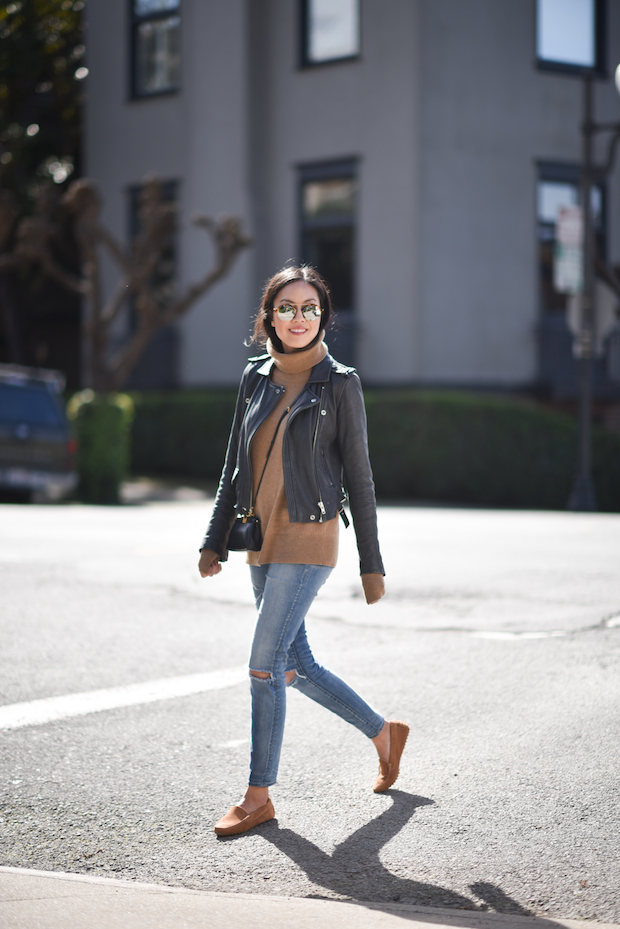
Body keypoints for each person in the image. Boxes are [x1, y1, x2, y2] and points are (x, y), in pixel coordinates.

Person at [198, 265, 409, 836]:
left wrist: (371, 563)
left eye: (310, 308)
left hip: (311, 535)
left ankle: (257, 795)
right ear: (269, 316)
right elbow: (232, 466)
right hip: (260, 540)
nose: (299, 318)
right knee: (296, 665)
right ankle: (384, 734)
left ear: (324, 316)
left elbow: (360, 478)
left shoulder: (339, 383)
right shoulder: (255, 378)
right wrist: (214, 539)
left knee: (264, 667)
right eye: (287, 307)